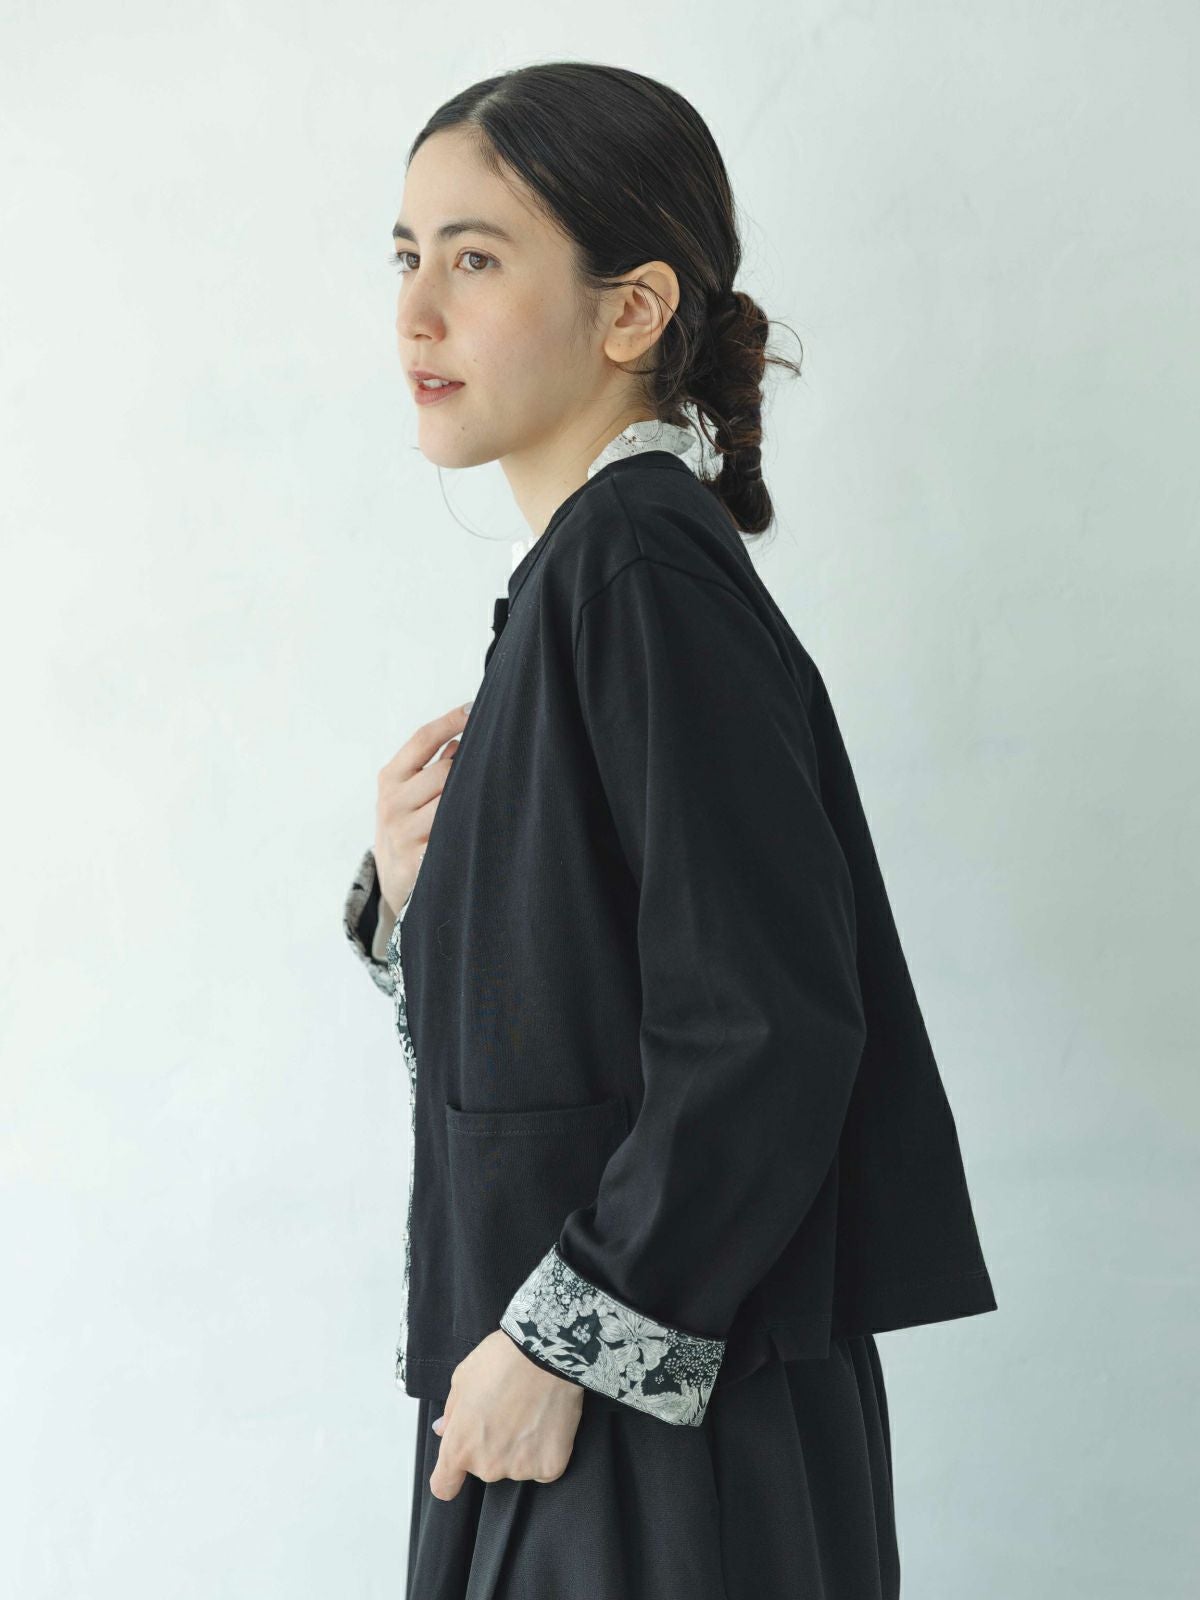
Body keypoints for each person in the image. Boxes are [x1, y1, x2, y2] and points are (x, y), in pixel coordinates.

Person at [342, 61, 996, 1599]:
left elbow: (766, 1021)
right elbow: (580, 1024)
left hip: (654, 1431)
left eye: (475, 258)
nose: (415, 311)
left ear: (631, 310)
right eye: (406, 254)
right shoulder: (596, 573)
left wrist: (563, 1340)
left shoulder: (637, 570)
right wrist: (420, 897)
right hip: (586, 1409)